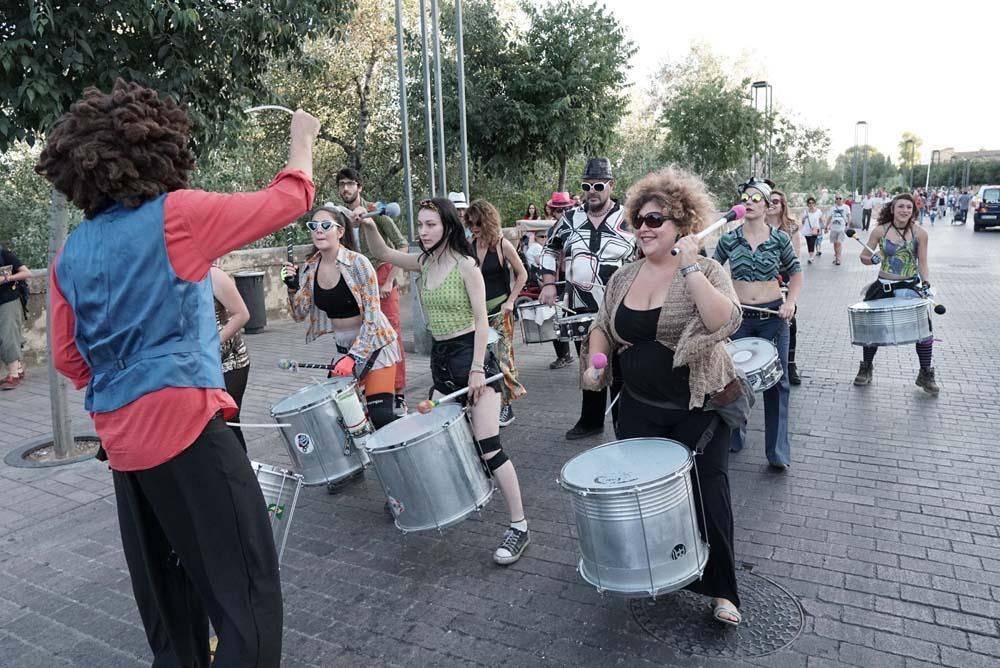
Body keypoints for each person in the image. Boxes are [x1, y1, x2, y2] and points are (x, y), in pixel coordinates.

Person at [39, 79, 319, 667]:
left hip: (123, 447)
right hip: (188, 429)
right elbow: (289, 200)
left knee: (171, 613)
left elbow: (68, 360)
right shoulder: (178, 217)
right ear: (158, 149)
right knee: (247, 602)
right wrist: (301, 140)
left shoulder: (70, 255)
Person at [583, 167, 747, 626]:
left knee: (708, 493)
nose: (645, 228)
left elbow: (723, 321)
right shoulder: (622, 276)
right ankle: (666, 567)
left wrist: (691, 266)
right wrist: (598, 358)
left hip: (699, 405)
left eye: (656, 220)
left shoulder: (706, 269)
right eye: (640, 219)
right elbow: (603, 325)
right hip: (638, 406)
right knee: (648, 496)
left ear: (681, 225)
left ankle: (723, 590)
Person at [360, 197, 531, 565]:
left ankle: (519, 525)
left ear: (448, 226)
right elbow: (381, 250)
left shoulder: (466, 265)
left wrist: (476, 370)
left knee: (489, 445)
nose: (422, 232)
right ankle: (433, 499)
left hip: (471, 356)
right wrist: (367, 223)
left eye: (430, 225)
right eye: (419, 225)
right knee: (426, 436)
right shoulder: (424, 262)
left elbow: (483, 322)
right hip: (441, 361)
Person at [540, 158, 636, 440]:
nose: (592, 191)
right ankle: (591, 420)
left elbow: (649, 251)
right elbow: (549, 250)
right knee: (590, 362)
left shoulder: (629, 218)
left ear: (610, 185)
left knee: (621, 364)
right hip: (579, 305)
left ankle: (623, 421)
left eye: (598, 185)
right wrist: (548, 284)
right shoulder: (570, 218)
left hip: (622, 305)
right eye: (586, 186)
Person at [283, 203, 402, 431]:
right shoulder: (309, 268)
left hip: (375, 346)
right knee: (337, 418)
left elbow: (373, 316)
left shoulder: (358, 263)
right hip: (343, 349)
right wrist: (291, 287)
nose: (319, 230)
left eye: (326, 225)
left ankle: (407, 446)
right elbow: (299, 315)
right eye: (313, 225)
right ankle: (361, 462)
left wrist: (354, 357)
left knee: (382, 418)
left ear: (340, 231)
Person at [714, 178, 803, 470]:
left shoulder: (779, 239)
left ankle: (777, 452)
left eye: (756, 198)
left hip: (773, 318)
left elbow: (796, 274)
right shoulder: (729, 239)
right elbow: (713, 272)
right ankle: (734, 436)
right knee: (732, 380)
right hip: (738, 319)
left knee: (778, 383)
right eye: (745, 198)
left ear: (767, 205)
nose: (749, 202)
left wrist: (790, 303)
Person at [336, 167, 409, 416]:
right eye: (342, 184)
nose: (346, 188)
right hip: (357, 281)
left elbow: (401, 245)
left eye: (350, 184)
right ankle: (371, 392)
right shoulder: (340, 217)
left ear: (360, 187)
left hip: (382, 275)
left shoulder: (377, 212)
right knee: (362, 335)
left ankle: (398, 394)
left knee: (390, 335)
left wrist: (390, 280)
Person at [853, 193, 939, 395]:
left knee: (923, 333)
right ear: (892, 209)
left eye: (909, 207)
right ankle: (866, 367)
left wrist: (926, 283)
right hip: (883, 288)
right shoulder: (879, 231)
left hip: (909, 288)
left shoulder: (920, 233)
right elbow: (864, 256)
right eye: (900, 206)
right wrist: (871, 260)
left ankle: (925, 373)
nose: (905, 210)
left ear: (913, 211)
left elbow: (923, 262)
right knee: (871, 330)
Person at [464, 199, 528, 427]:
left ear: (487, 221)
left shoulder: (502, 245)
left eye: (478, 222)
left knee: (502, 358)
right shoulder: (468, 246)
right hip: (477, 312)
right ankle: (485, 402)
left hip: (500, 309)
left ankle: (506, 405)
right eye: (470, 223)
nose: (474, 227)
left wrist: (510, 301)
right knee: (480, 357)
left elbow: (522, 274)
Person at [210, 266, 250, 450]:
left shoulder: (212, 274)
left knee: (227, 420)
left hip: (230, 361)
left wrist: (212, 343)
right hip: (200, 364)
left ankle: (242, 472)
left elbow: (242, 315)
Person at [766, 190, 803, 386]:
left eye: (775, 202)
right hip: (762, 279)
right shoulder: (757, 225)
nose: (771, 204)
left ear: (782, 205)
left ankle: (790, 363)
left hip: (784, 277)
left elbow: (795, 258)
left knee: (790, 320)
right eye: (768, 201)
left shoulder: (791, 228)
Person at [543, 191, 576, 370]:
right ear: (552, 212)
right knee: (555, 317)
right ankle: (563, 354)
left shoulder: (578, 225)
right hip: (557, 278)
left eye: (565, 209)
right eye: (558, 210)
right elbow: (548, 255)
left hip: (574, 278)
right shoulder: (552, 230)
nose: (561, 213)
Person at [0, 245, 30, 390]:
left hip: (8, 300)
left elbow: (26, 273)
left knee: (8, 336)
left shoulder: (4, 253)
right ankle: (17, 369)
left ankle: (14, 375)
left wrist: (5, 278)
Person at [824, 194, 851, 265]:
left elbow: (849, 216)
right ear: (835, 200)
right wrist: (826, 226)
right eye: (837, 198)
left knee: (839, 243)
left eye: (840, 198)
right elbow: (829, 217)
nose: (838, 200)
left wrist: (848, 225)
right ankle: (836, 257)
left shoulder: (846, 207)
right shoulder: (832, 208)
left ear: (843, 199)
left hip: (842, 228)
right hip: (833, 228)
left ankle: (838, 258)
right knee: (835, 243)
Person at [800, 197, 823, 264]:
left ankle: (811, 257)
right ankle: (811, 256)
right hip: (807, 230)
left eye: (812, 203)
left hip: (815, 230)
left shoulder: (818, 211)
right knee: (808, 243)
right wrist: (804, 218)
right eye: (809, 203)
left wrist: (823, 228)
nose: (811, 204)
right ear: (807, 204)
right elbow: (803, 222)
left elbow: (820, 220)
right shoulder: (805, 212)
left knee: (812, 242)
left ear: (815, 203)